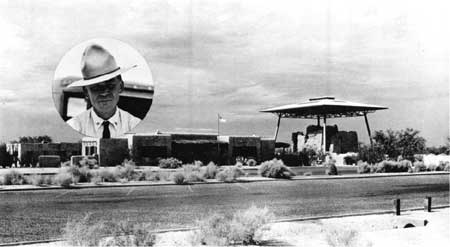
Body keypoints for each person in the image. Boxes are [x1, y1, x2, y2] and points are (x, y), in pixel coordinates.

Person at [66, 44, 141, 138]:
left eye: (110, 86)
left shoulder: (134, 124)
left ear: (121, 86)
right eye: (96, 88)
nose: (104, 93)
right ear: (86, 92)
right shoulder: (75, 126)